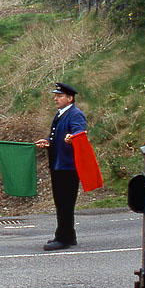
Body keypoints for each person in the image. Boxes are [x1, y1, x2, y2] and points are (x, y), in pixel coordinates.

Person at [35, 82, 87, 250]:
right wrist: (48, 142)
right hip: (59, 164)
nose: (56, 99)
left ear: (69, 98)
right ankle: (68, 235)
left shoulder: (75, 114)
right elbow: (57, 137)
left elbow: (80, 134)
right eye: (56, 96)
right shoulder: (61, 114)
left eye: (59, 96)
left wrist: (72, 138)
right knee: (61, 201)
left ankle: (63, 238)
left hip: (68, 166)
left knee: (65, 202)